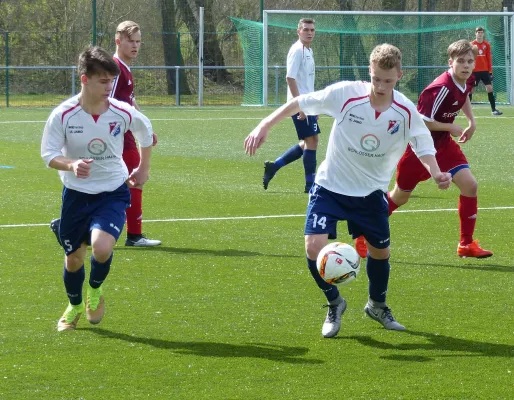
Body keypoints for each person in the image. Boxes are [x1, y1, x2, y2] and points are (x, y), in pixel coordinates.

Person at [244, 44, 452, 338]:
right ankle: (334, 302)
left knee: (381, 253)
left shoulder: (405, 110)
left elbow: (422, 144)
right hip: (330, 187)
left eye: (388, 81)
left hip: (371, 194)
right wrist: (265, 125)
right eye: (376, 78)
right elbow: (301, 102)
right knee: (313, 247)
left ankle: (377, 305)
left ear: (400, 76)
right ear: (370, 72)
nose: (381, 86)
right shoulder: (346, 94)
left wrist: (436, 172)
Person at [41, 46, 155, 331]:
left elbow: (147, 133)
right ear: (84, 79)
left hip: (113, 191)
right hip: (76, 196)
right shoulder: (63, 114)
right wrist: (71, 164)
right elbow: (49, 154)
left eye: (111, 81)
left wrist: (143, 168)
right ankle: (75, 304)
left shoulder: (121, 112)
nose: (109, 87)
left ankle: (95, 290)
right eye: (103, 81)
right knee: (74, 259)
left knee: (102, 248)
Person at [356, 40, 493, 259]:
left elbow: (465, 95)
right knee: (400, 197)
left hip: (444, 145)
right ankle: (363, 234)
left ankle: (466, 244)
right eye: (461, 61)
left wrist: (472, 121)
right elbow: (420, 121)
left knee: (470, 185)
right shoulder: (439, 88)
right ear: (450, 62)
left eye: (470, 61)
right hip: (420, 148)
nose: (466, 66)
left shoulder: (468, 79)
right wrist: (450, 126)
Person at [50, 20, 161, 247]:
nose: (135, 46)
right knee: (131, 180)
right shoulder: (115, 69)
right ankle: (133, 235)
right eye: (131, 41)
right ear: (117, 40)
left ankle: (75, 225)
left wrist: (145, 125)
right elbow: (109, 100)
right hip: (116, 134)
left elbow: (129, 102)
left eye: (139, 41)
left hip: (122, 131)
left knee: (122, 181)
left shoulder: (124, 69)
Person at [262, 18, 320, 193]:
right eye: (306, 30)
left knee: (310, 141)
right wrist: (300, 106)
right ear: (298, 31)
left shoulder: (308, 50)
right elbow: (290, 78)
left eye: (312, 30)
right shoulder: (297, 50)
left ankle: (274, 166)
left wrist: (313, 107)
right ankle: (310, 184)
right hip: (299, 103)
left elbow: (307, 81)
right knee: (311, 141)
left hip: (308, 103)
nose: (309, 33)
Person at [470, 26, 502, 115]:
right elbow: (469, 57)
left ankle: (493, 110)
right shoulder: (472, 44)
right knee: (470, 90)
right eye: (478, 32)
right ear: (475, 33)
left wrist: (490, 72)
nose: (480, 34)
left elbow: (489, 58)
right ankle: (467, 111)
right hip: (474, 71)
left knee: (489, 88)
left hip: (484, 71)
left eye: (481, 32)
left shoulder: (486, 44)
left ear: (483, 34)